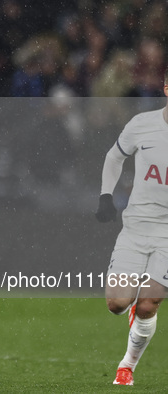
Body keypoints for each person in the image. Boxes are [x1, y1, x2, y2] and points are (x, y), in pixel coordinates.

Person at [95, 67, 168, 386]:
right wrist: (105, 197)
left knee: (149, 302)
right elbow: (114, 157)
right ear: (166, 89)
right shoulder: (143, 125)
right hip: (136, 229)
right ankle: (131, 310)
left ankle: (127, 366)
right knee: (116, 304)